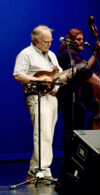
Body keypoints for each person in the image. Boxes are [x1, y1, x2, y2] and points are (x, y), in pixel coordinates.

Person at [13, 25, 71, 181]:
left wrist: (65, 77)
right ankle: (42, 172)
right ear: (36, 41)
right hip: (36, 96)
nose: (49, 44)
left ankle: (35, 171)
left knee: (48, 134)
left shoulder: (51, 55)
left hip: (51, 97)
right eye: (46, 42)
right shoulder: (26, 54)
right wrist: (39, 80)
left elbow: (58, 75)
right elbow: (18, 75)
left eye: (50, 41)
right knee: (43, 133)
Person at [56, 28, 100, 157]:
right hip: (72, 98)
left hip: (76, 99)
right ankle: (71, 161)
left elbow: (84, 67)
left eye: (82, 39)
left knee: (75, 130)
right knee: (73, 131)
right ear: (70, 40)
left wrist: (96, 54)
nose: (82, 42)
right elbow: (86, 73)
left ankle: (73, 160)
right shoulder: (69, 53)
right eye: (78, 39)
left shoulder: (73, 54)